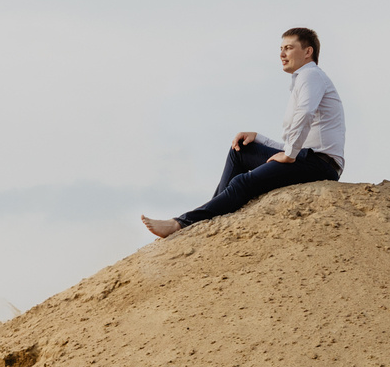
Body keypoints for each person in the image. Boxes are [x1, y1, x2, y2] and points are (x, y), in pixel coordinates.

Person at [142, 28, 343, 240]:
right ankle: (206, 216)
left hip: (321, 165)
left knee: (241, 182)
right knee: (241, 150)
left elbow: (305, 115)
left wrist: (290, 154)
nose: (282, 54)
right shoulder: (304, 79)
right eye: (281, 49)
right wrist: (260, 138)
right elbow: (297, 143)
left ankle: (180, 223)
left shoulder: (310, 75)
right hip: (306, 158)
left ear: (308, 51)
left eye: (289, 48)